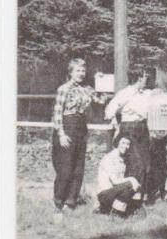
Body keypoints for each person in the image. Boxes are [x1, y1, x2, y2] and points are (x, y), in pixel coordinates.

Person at [51, 58, 107, 213]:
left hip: (81, 128)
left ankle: (70, 202)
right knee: (66, 167)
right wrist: (61, 134)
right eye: (78, 70)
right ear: (71, 72)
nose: (81, 74)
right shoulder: (64, 88)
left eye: (83, 70)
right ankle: (58, 201)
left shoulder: (87, 89)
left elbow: (101, 100)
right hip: (67, 127)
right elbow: (57, 113)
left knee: (78, 168)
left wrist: (101, 83)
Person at [104, 68, 153, 204]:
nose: (146, 79)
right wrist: (116, 127)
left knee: (145, 164)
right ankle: (129, 199)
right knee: (135, 163)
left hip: (143, 129)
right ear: (139, 77)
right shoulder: (125, 93)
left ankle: (139, 198)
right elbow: (109, 110)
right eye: (144, 76)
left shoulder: (146, 94)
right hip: (129, 130)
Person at [94, 135, 141, 217]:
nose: (126, 146)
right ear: (117, 143)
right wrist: (132, 179)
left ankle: (117, 210)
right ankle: (116, 212)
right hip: (105, 194)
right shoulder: (110, 158)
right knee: (130, 184)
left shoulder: (122, 159)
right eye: (123, 143)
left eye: (128, 144)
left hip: (115, 191)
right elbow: (115, 182)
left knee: (134, 183)